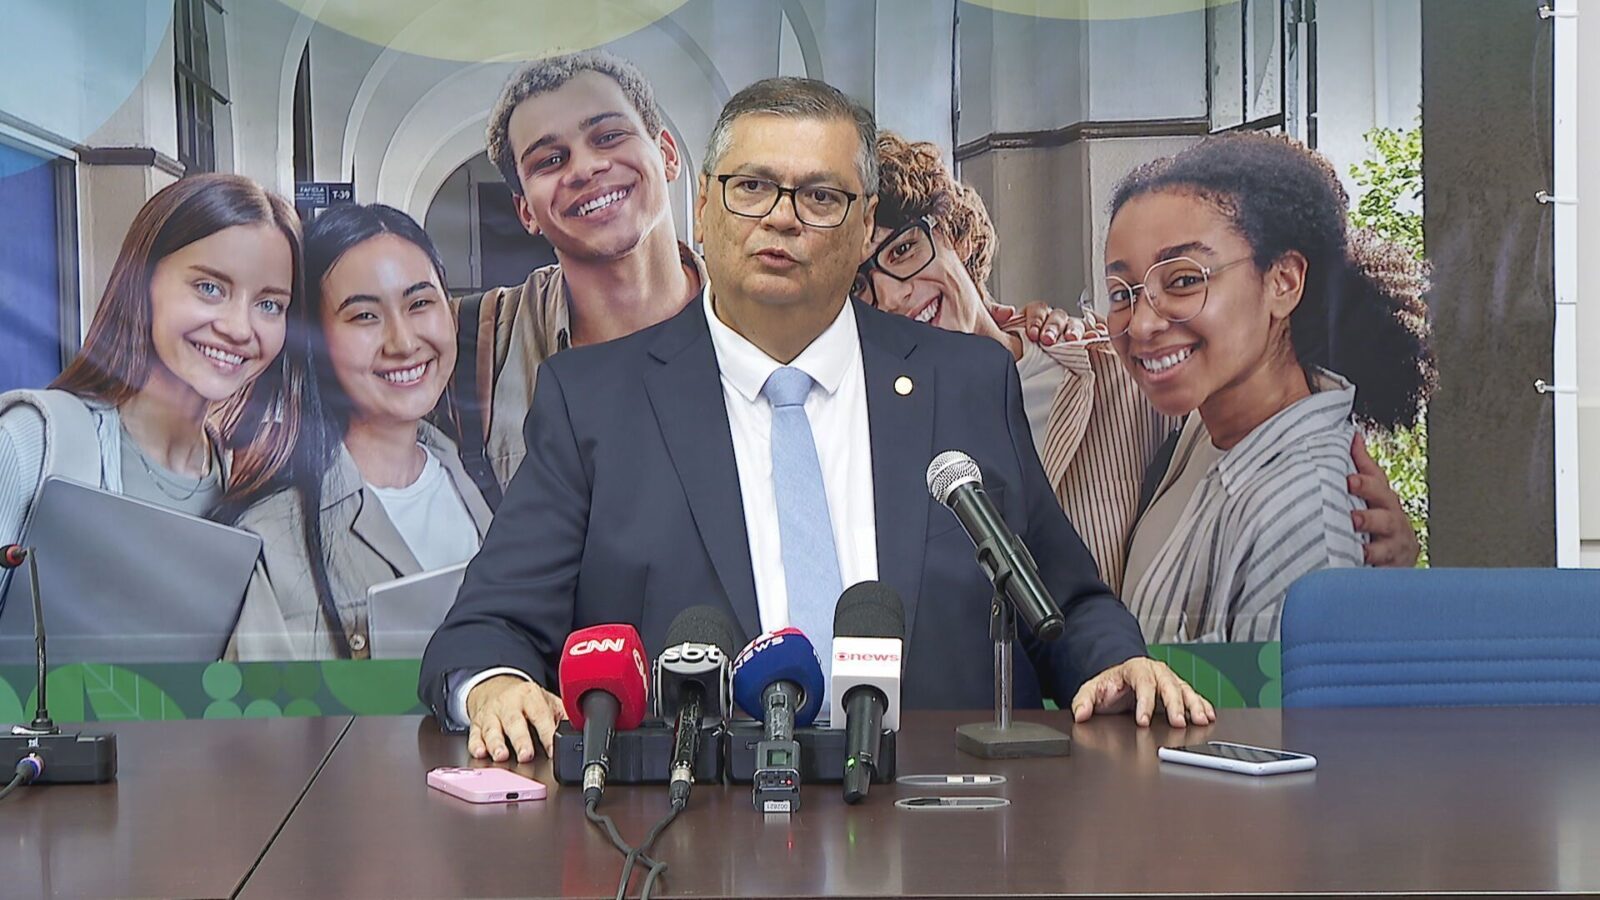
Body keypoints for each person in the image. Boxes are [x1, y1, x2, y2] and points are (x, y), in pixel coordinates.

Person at [421, 77, 1214, 764]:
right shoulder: (594, 399)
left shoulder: (964, 383)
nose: (782, 218)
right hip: (687, 827)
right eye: (752, 187)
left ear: (865, 225)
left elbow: (1067, 605)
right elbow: (485, 629)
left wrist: (1117, 664)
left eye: (821, 197)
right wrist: (494, 687)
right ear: (704, 203)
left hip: (941, 826)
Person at [859, 131, 1424, 591]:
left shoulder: (1119, 379)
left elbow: (1268, 408)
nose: (891, 297)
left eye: (904, 250)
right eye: (860, 286)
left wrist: (1378, 557)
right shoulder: (863, 427)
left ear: (955, 238)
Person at [1099, 132, 1434, 641]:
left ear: (1283, 281)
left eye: (1184, 281)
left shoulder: (1303, 514)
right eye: (1122, 293)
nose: (1142, 323)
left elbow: (1268, 698)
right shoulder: (1209, 426)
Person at [222, 205, 492, 660]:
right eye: (365, 316)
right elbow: (259, 706)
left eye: (420, 303)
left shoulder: (484, 481)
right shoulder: (271, 542)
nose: (404, 342)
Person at [0, 174, 304, 565]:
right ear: (142, 282)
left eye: (270, 305)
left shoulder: (244, 484)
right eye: (209, 288)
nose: (239, 328)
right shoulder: (29, 442)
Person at [459, 50, 705, 492]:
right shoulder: (476, 342)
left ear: (667, 154)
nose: (586, 168)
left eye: (609, 136)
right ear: (525, 211)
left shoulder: (758, 320)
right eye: (549, 160)